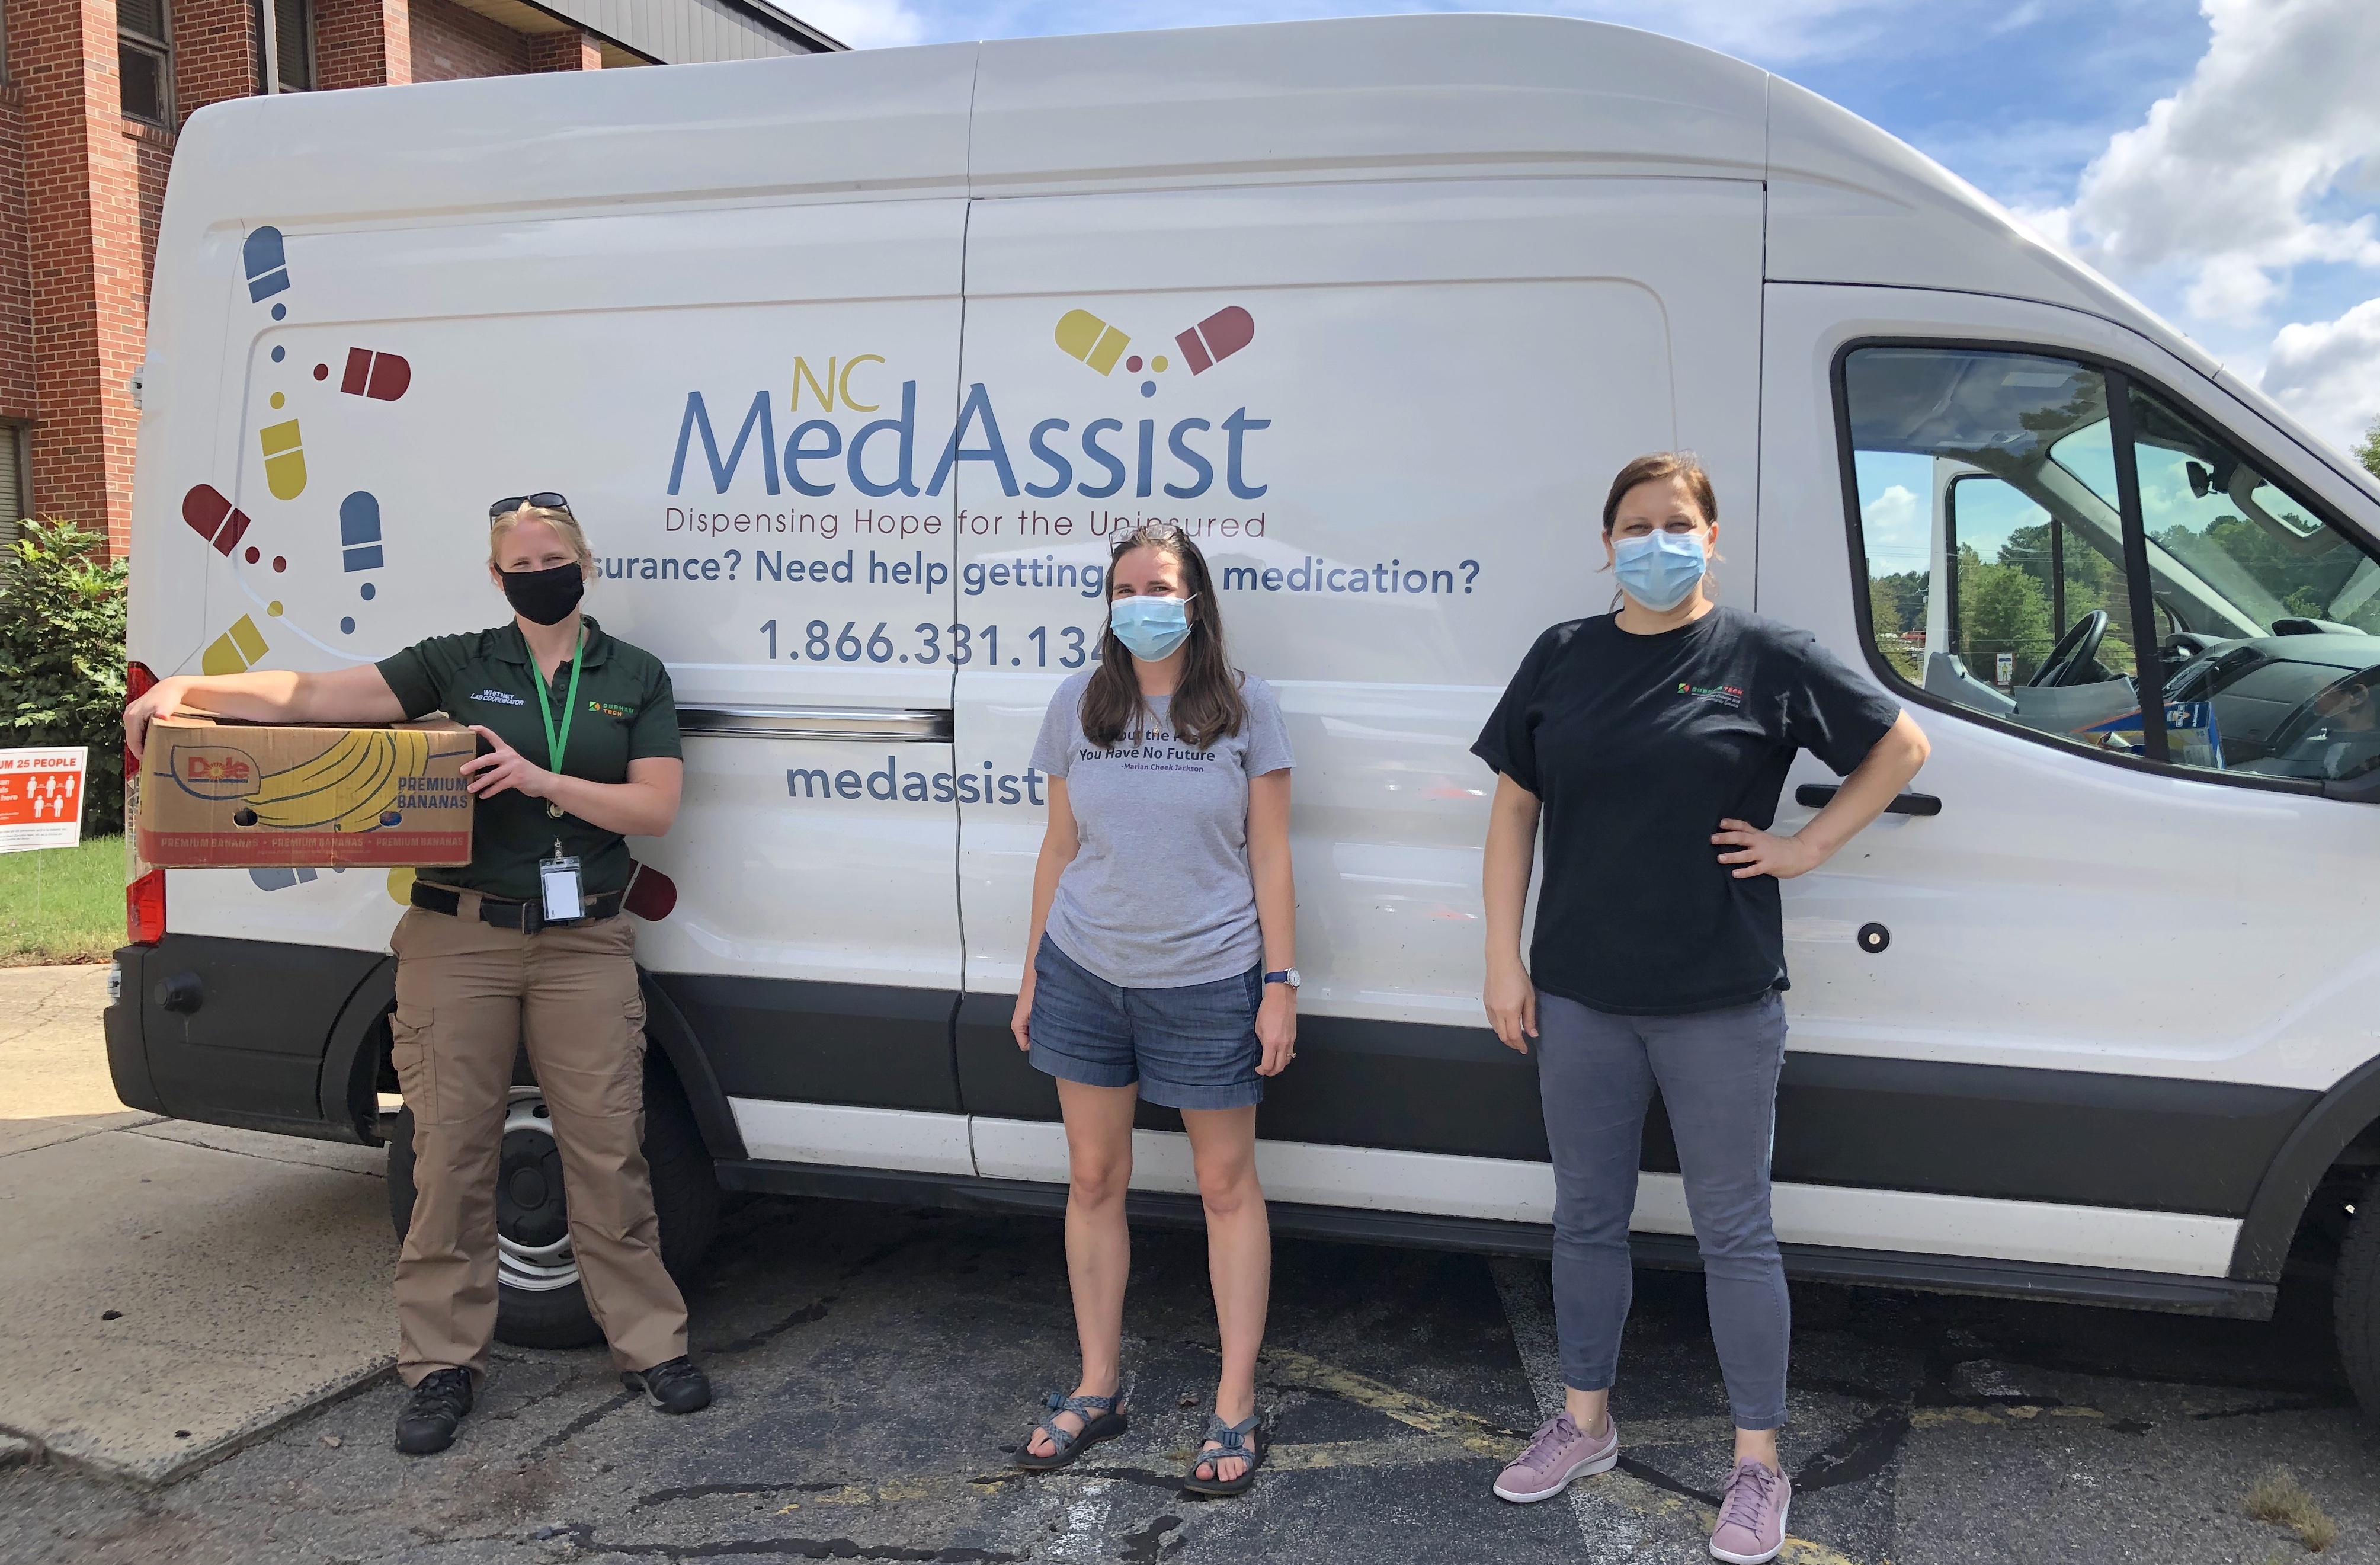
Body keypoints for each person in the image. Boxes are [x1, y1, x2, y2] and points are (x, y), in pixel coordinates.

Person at [124, 496, 711, 1456]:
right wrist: (186, 695)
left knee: (607, 1148)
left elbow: (653, 808)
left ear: (584, 565)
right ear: (496, 577)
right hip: (459, 936)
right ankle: (441, 1364)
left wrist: (541, 780)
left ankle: (650, 1345)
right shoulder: (455, 662)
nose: (538, 573)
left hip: (583, 942)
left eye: (552, 557)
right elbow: (315, 699)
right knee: (448, 1151)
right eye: (520, 563)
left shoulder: (632, 676)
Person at [1472, 454, 1929, 1564]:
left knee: (1735, 1232)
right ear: (1606, 541)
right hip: (1581, 994)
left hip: (1719, 1000)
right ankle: (1583, 1424)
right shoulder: (1563, 655)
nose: (1655, 541)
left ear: (1711, 537)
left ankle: (1757, 1466)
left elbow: (1899, 744)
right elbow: (1513, 812)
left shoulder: (1763, 656)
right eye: (1635, 524)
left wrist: (1806, 847)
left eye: (1676, 524)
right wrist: (1502, 957)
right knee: (1585, 1218)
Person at [1007, 521, 1297, 1496]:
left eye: (1160, 585)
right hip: (1085, 971)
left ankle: (1234, 1400)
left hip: (1212, 977)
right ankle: (1098, 1385)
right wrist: (1033, 970)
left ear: (1195, 599)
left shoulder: (1245, 707)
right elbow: (1059, 846)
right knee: (1092, 1177)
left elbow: (1269, 856)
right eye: (1125, 586)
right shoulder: (1079, 701)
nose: (1143, 601)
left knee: (1224, 1186)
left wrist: (1279, 985)